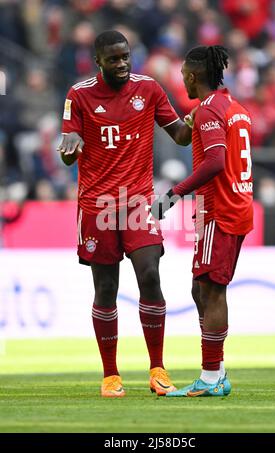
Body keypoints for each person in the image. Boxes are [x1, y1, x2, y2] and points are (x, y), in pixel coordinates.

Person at [57, 30, 192, 397]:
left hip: (137, 202)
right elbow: (69, 150)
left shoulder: (148, 88)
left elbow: (179, 134)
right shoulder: (79, 94)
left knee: (150, 275)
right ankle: (111, 375)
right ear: (97, 61)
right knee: (106, 288)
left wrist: (201, 117)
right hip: (97, 206)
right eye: (113, 59)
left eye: (125, 57)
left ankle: (158, 369)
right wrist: (69, 150)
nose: (121, 64)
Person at [151, 45, 253, 397]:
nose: (183, 82)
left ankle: (211, 377)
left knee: (211, 291)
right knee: (202, 288)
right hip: (234, 205)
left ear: (193, 76)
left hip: (219, 210)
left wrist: (171, 195)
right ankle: (217, 371)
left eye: (184, 77)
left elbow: (214, 163)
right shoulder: (233, 107)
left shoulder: (209, 110)